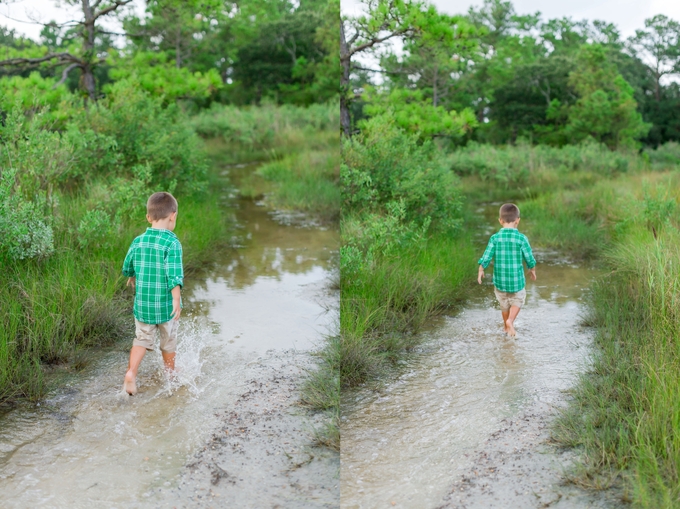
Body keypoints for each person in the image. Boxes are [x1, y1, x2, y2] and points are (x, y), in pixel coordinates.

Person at [122, 192, 184, 395]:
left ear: (148, 217)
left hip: (144, 305)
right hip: (166, 305)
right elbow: (173, 273)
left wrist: (131, 275)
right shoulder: (172, 243)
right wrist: (176, 297)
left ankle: (131, 373)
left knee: (142, 338)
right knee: (168, 342)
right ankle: (171, 377)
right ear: (173, 216)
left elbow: (128, 263)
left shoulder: (138, 240)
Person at [477, 203, 536, 337]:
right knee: (518, 300)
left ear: (500, 221)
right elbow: (529, 257)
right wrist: (532, 269)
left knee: (504, 304)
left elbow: (487, 255)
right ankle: (510, 321)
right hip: (516, 281)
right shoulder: (521, 238)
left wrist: (481, 268)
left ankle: (505, 327)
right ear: (518, 220)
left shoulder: (495, 238)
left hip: (500, 281)